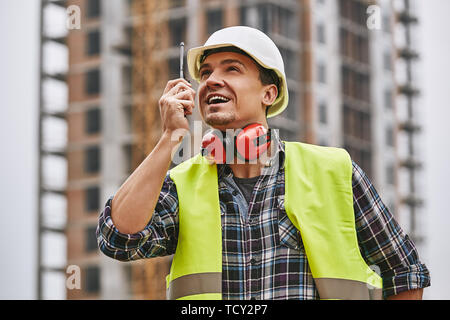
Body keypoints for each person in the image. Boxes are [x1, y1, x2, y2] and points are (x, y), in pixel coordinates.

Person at [97, 26, 430, 300]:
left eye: (232, 69)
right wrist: (169, 138)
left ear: (268, 94)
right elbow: (118, 239)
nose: (211, 80)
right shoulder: (182, 183)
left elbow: (404, 271)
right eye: (205, 72)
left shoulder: (335, 172)